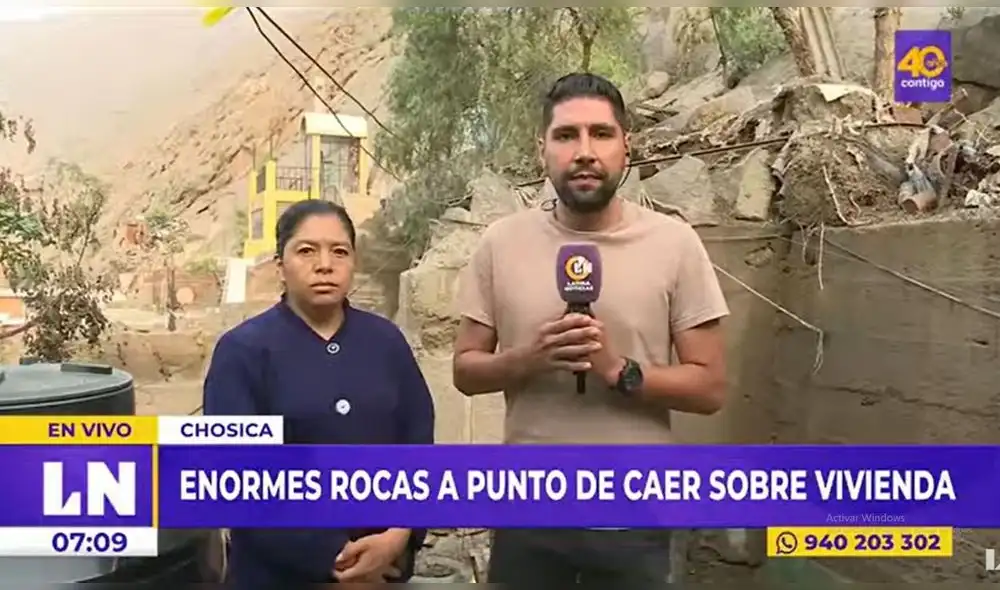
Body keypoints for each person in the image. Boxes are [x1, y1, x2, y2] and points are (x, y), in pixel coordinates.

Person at [452, 72, 729, 586]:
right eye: (566, 135)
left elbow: (709, 387)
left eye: (601, 134)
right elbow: (466, 371)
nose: (584, 151)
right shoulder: (499, 243)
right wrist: (527, 358)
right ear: (542, 149)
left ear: (627, 146)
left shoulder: (675, 244)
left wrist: (618, 369)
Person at [203, 199, 435, 588]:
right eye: (306, 250)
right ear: (280, 266)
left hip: (385, 570)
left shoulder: (385, 343)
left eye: (339, 251)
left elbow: (418, 444)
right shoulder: (243, 352)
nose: (325, 264)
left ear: (353, 262)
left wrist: (400, 534)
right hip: (277, 575)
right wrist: (335, 561)